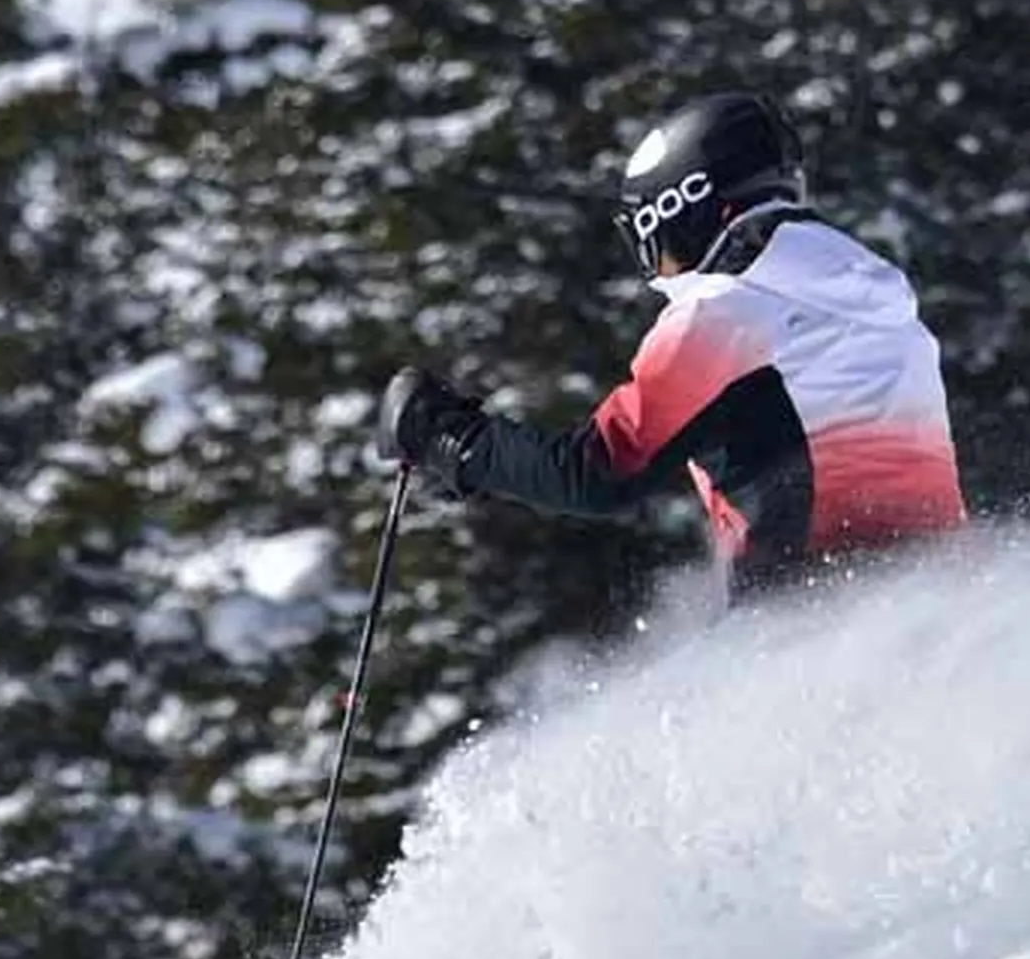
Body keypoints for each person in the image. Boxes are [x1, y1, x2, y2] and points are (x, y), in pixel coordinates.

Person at [379, 92, 969, 600]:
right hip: (930, 598)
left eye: (654, 243)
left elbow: (594, 475)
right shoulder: (878, 304)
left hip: (811, 614)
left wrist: (449, 437)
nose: (657, 271)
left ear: (683, 212)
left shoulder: (723, 311)